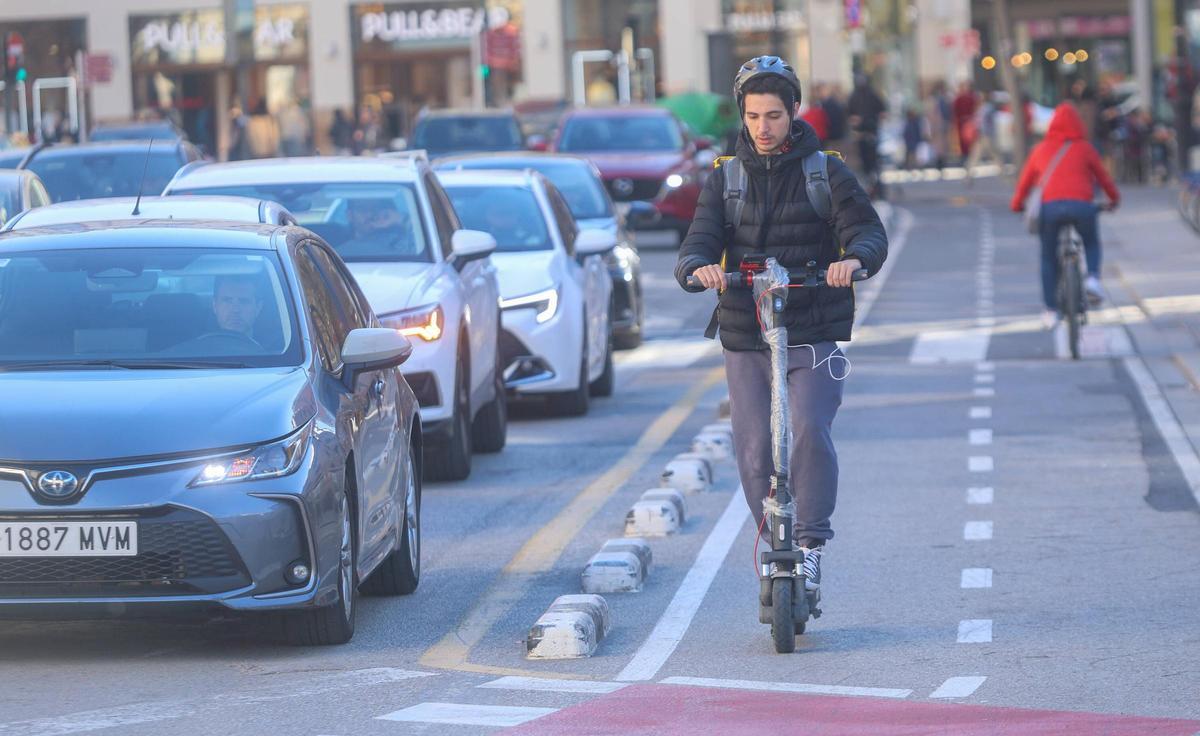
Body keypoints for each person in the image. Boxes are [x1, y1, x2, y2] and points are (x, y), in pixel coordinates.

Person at [675, 55, 888, 593]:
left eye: (774, 115)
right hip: (747, 331)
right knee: (752, 448)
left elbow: (867, 232)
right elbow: (698, 241)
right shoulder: (726, 177)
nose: (763, 128)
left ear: (794, 111)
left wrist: (853, 260)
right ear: (742, 116)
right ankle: (777, 545)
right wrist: (697, 269)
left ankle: (810, 545)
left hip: (815, 325)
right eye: (753, 117)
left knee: (809, 431)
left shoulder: (826, 171)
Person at [1011, 103, 1120, 326]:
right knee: (1090, 242)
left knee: (1048, 257)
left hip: (1049, 209)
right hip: (1082, 207)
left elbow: (1024, 184)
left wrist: (1016, 205)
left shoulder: (1040, 150)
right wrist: (1113, 200)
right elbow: (1103, 178)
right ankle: (1092, 279)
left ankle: (1050, 310)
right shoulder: (1085, 148)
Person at [847, 73, 887, 199]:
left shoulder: (868, 95)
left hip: (868, 133)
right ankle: (873, 188)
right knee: (869, 165)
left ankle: (874, 189)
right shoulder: (858, 96)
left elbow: (882, 112)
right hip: (865, 133)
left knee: (870, 165)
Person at [340, 198, 414, 258]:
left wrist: (400, 219)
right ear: (349, 215)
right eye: (362, 209)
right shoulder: (338, 249)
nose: (370, 214)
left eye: (374, 209)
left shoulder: (399, 242)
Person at [212, 275, 264, 339]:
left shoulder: (277, 345)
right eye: (227, 301)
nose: (235, 310)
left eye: (244, 301)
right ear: (214, 306)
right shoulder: (200, 346)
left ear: (258, 308)